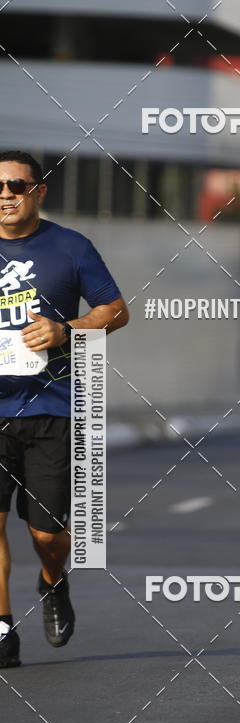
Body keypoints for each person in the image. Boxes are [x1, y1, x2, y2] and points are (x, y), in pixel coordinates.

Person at [0, 150, 129, 668]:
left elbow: (116, 311)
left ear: (38, 191)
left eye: (16, 185)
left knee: (48, 534)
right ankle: (3, 628)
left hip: (52, 408)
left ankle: (54, 580)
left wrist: (65, 331)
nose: (6, 193)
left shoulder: (71, 247)